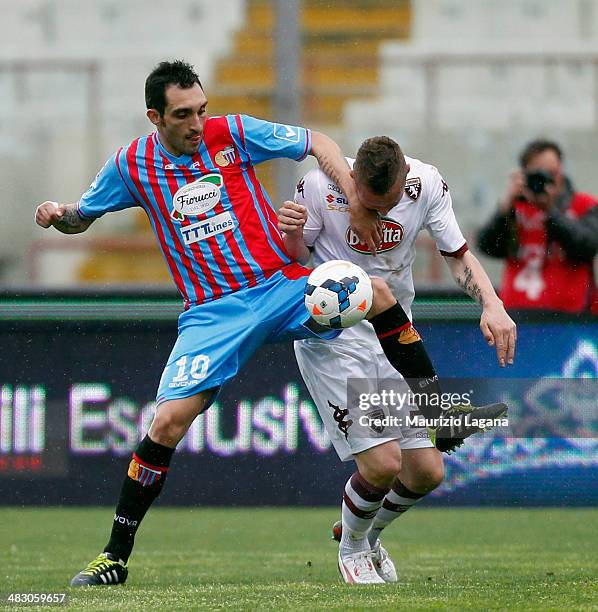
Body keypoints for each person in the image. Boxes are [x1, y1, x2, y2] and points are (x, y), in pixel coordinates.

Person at [34, 61, 477, 587]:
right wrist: (58, 212)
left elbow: (319, 142)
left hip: (281, 286)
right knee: (167, 423)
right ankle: (113, 557)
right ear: (155, 117)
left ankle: (434, 406)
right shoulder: (131, 166)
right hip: (212, 313)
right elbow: (82, 216)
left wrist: (356, 202)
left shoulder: (233, 132)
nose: (198, 123)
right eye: (183, 115)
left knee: (377, 293)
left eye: (202, 109)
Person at [277, 136, 516, 584]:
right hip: (334, 339)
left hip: (393, 338)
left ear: (405, 178)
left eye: (386, 207)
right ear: (353, 182)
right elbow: (297, 262)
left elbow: (458, 255)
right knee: (383, 464)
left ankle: (365, 534)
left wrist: (492, 304)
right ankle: (351, 549)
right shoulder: (317, 187)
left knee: (427, 472)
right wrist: (291, 234)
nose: (378, 215)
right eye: (368, 204)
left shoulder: (426, 184)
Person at [477, 139, 598, 314]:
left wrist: (550, 211)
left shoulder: (583, 205)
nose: (546, 180)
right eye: (538, 175)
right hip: (517, 314)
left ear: (561, 171)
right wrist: (505, 207)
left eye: (552, 173)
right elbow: (487, 246)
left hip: (571, 317)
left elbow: (587, 246)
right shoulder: (514, 208)